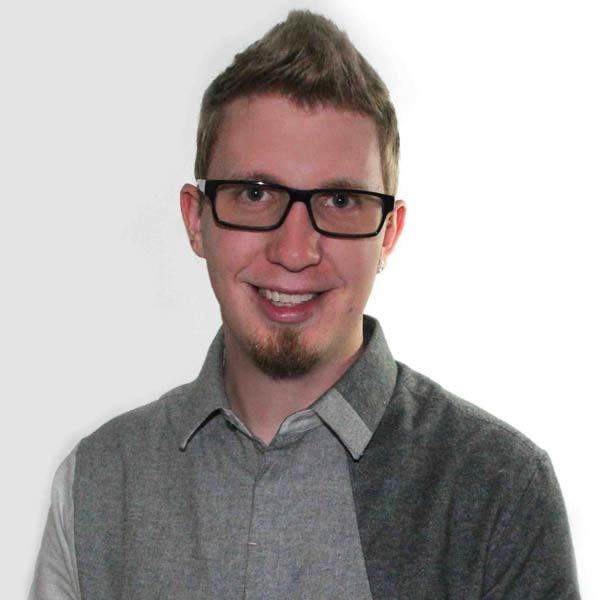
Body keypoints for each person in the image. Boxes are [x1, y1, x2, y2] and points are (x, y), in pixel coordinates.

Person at [30, 10, 580, 599]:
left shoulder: (501, 494)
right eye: (255, 193)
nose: (294, 252)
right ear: (196, 221)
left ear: (389, 234)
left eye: (340, 200)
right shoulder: (97, 484)